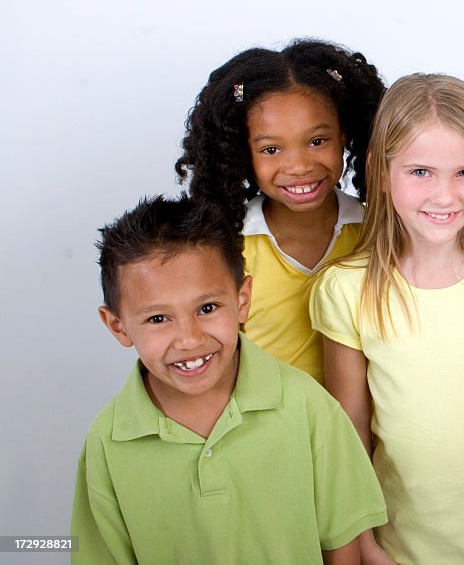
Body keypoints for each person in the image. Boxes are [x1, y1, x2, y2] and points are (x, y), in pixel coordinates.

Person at [310, 74, 464, 565]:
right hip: (395, 546)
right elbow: (350, 430)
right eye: (421, 172)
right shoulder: (345, 290)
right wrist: (363, 542)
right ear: (383, 173)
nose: (444, 196)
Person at [71, 195, 386, 564]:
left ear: (242, 300)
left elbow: (344, 545)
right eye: (158, 319)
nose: (189, 339)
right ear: (117, 326)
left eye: (207, 308)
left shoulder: (308, 406)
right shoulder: (108, 442)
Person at [175, 39, 385, 384]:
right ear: (242, 152)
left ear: (344, 136)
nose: (299, 166)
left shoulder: (378, 232)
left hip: (361, 433)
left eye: (317, 141)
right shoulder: (228, 247)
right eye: (271, 149)